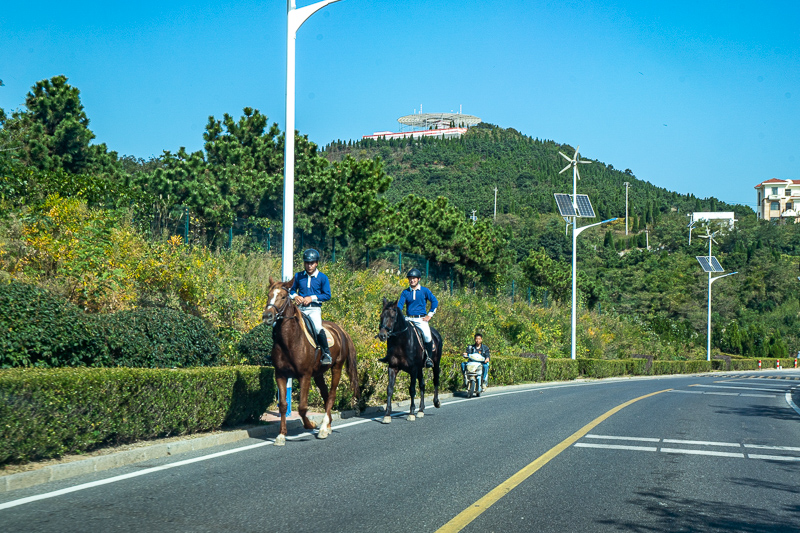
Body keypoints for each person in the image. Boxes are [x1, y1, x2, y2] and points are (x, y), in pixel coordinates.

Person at [289, 249, 332, 365]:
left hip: (314, 309)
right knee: (284, 324)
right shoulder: (298, 276)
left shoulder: (323, 278)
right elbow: (291, 290)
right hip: (299, 309)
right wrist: (295, 296)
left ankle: (326, 353)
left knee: (318, 327)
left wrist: (311, 298)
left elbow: (327, 295)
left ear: (316, 263)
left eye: (312, 263)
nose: (309, 266)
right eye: (307, 263)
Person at [395, 268, 438, 368]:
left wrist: (430, 315)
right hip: (408, 318)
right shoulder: (405, 292)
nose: (412, 280)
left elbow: (435, 302)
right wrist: (398, 314)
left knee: (427, 336)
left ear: (418, 279)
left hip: (421, 319)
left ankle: (428, 358)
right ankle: (394, 354)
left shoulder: (425, 291)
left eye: (414, 278)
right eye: (410, 278)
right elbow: (400, 305)